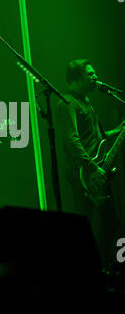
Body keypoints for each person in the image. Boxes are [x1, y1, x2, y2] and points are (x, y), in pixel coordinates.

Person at [57, 59, 124, 271]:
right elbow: (72, 140)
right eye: (90, 74)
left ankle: (108, 269)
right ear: (77, 78)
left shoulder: (87, 102)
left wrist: (119, 130)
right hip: (82, 174)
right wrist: (92, 168)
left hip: (97, 171)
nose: (96, 77)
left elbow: (98, 137)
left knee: (111, 223)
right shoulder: (66, 102)